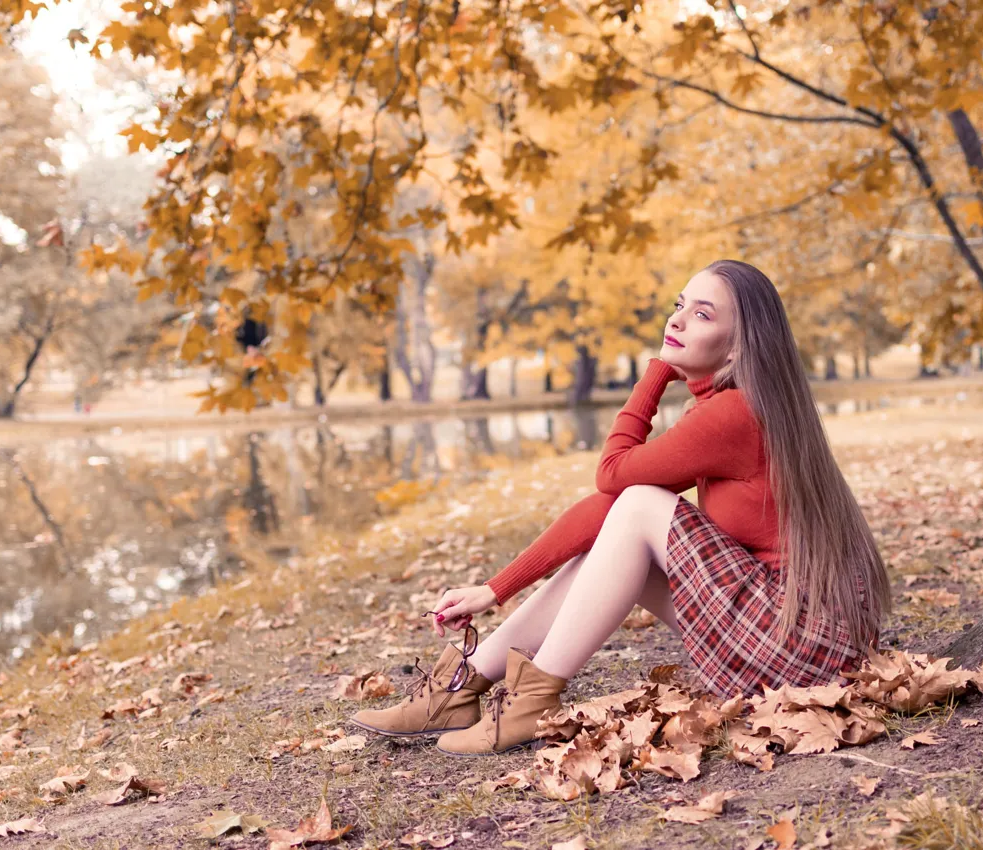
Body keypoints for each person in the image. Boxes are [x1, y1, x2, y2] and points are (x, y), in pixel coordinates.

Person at [348, 259, 892, 757]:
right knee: (615, 537)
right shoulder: (748, 405)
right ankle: (459, 687)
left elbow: (614, 477)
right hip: (799, 632)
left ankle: (527, 703)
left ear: (736, 349)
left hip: (802, 647)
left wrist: (656, 372)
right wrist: (496, 589)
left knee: (638, 504)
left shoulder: (732, 415)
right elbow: (607, 515)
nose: (677, 320)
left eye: (701, 314)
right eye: (679, 304)